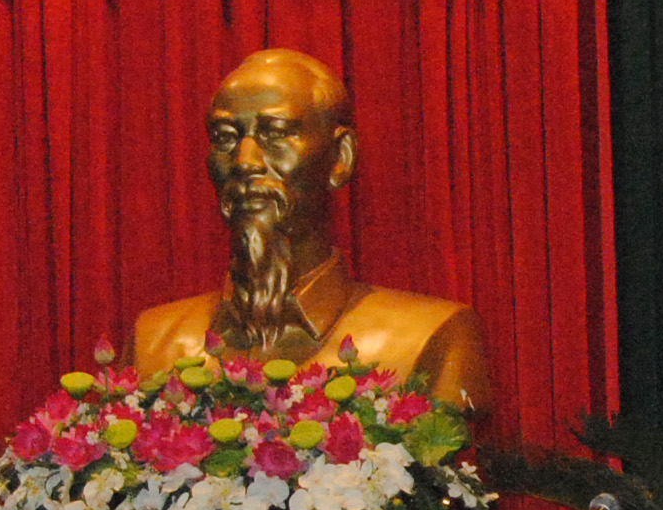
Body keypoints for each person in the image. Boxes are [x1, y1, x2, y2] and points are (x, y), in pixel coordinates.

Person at [125, 47, 492, 414]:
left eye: (276, 133)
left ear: (340, 158)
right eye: (225, 137)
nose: (244, 162)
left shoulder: (430, 338)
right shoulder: (154, 343)